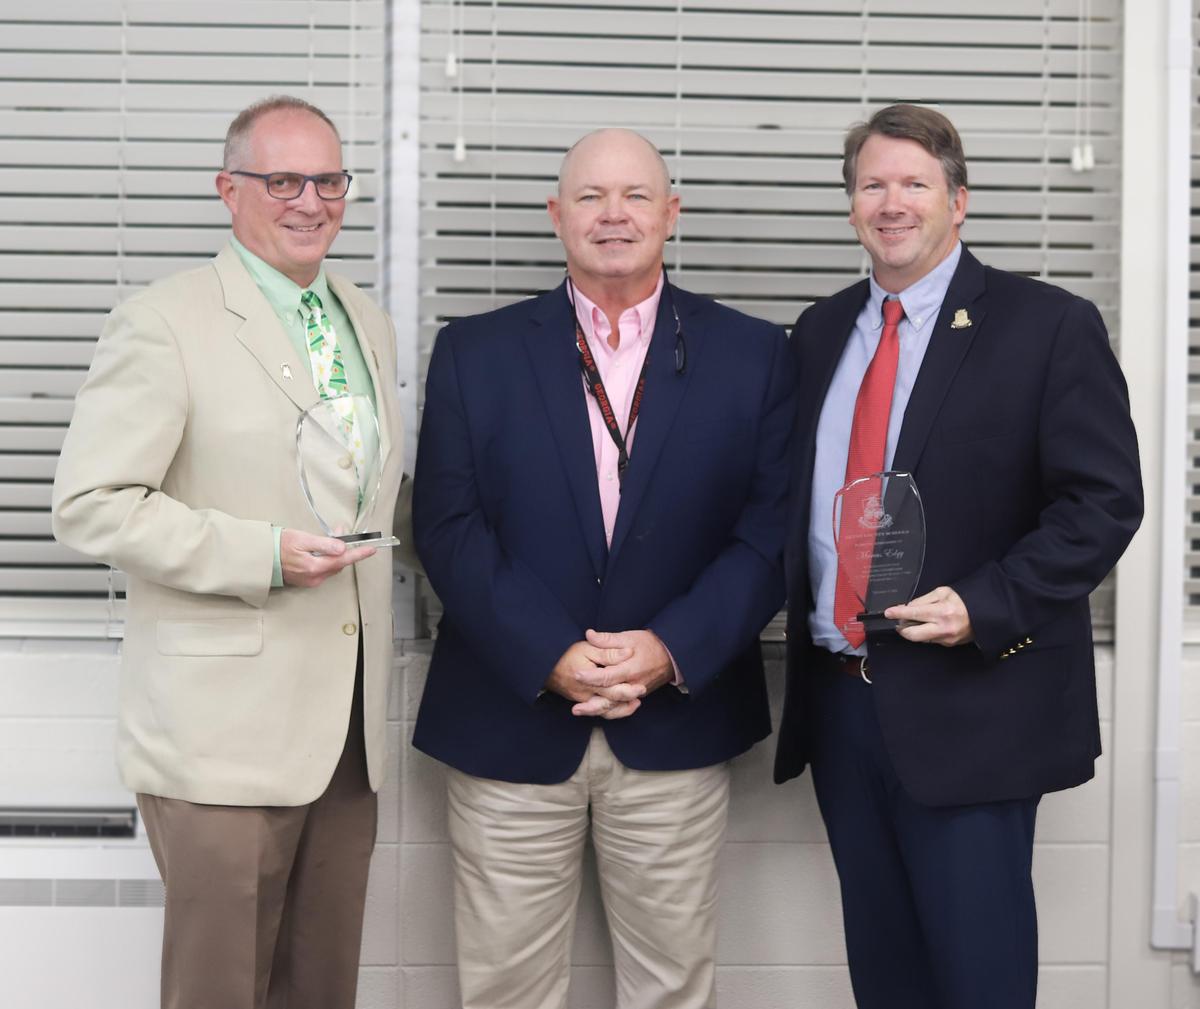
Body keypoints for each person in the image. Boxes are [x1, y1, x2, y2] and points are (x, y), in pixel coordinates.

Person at [412, 128, 795, 1009]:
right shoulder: (475, 351)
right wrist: (547, 651)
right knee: (506, 990)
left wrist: (669, 649)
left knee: (671, 987)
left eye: (635, 195)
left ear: (671, 212)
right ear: (557, 216)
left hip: (674, 725)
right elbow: (447, 525)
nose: (613, 215)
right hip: (509, 719)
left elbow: (769, 532)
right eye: (590, 197)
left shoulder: (753, 353)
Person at [774, 102, 1143, 1009]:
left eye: (914, 182)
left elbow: (1103, 502)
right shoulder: (819, 332)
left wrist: (986, 601)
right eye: (872, 184)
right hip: (842, 701)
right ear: (851, 206)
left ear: (959, 200)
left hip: (973, 705)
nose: (891, 202)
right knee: (885, 976)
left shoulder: (1045, 325)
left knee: (979, 980)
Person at [51, 95, 411, 1009]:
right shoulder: (165, 320)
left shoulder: (365, 320)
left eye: (328, 181)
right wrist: (264, 554)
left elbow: (363, 490)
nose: (311, 201)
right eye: (282, 180)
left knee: (321, 991)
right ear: (228, 189)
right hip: (219, 737)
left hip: (345, 737)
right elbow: (90, 505)